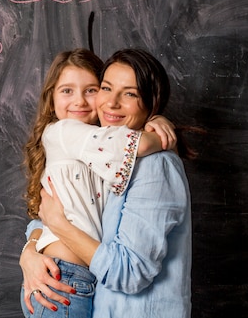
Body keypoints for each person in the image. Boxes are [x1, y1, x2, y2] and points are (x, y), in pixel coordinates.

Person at [20, 48, 193, 318]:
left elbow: (129, 272)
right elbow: (53, 213)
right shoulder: (90, 149)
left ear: (151, 103)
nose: (111, 103)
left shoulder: (151, 166)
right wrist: (30, 249)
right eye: (106, 89)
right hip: (62, 282)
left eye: (130, 93)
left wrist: (59, 226)